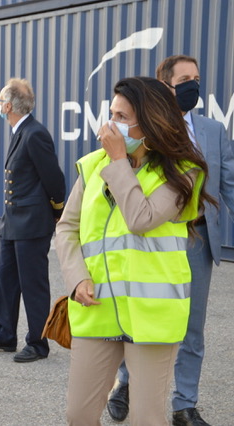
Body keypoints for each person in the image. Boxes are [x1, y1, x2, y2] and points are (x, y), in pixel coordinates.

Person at [55, 76, 214, 426]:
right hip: (98, 309)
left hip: (152, 315)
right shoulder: (92, 165)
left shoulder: (183, 174)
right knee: (79, 414)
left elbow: (141, 219)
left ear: (151, 120)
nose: (112, 125)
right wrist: (77, 277)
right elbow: (66, 228)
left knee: (147, 418)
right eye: (111, 113)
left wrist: (117, 162)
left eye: (123, 117)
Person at [106, 56, 234, 426]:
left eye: (197, 78)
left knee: (191, 327)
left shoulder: (212, 130)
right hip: (150, 235)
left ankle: (184, 405)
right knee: (143, 317)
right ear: (165, 86)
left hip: (197, 237)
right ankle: (126, 383)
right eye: (185, 79)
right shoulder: (144, 128)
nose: (193, 85)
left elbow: (227, 183)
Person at [0, 78, 65, 363]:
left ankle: (38, 343)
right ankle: (5, 334)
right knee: (6, 279)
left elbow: (54, 179)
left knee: (33, 284)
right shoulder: (20, 131)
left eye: (0, 101)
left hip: (32, 223)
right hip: (13, 222)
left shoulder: (34, 133)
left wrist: (56, 211)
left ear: (9, 105)